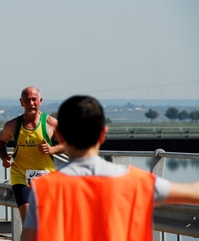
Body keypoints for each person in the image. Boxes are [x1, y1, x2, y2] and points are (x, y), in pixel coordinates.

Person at [21, 95, 199, 241]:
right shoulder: (137, 182)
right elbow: (194, 192)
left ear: (59, 135)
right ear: (103, 134)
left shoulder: (44, 189)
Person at [0, 86, 66, 223]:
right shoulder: (13, 125)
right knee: (28, 218)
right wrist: (4, 157)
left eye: (34, 100)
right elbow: (0, 141)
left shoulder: (51, 123)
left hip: (46, 176)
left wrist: (52, 149)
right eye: (27, 100)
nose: (31, 104)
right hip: (21, 176)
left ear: (40, 101)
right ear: (21, 102)